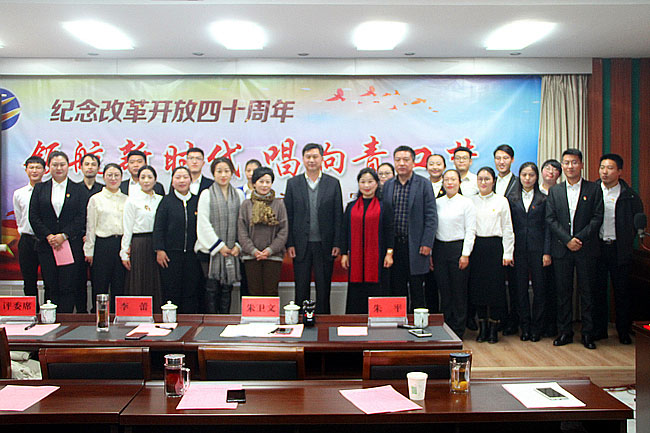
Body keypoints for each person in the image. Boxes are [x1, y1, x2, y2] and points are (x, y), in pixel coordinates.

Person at [546, 149, 603, 349]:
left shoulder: (594, 189)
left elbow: (597, 217)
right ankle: (565, 332)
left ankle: (588, 333)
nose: (570, 166)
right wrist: (567, 239)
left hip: (586, 248)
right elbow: (550, 219)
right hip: (562, 249)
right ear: (562, 166)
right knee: (563, 292)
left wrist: (579, 238)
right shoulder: (555, 191)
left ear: (582, 165)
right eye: (566, 163)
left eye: (574, 162)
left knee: (587, 292)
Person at [285, 143, 343, 314]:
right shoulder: (293, 183)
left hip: (325, 245)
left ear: (322, 159)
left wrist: (337, 243)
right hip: (300, 245)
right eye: (308, 157)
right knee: (301, 288)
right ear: (303, 159)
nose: (311, 160)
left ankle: (324, 322)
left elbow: (338, 215)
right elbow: (288, 216)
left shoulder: (332, 183)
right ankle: (300, 321)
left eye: (315, 156)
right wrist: (290, 243)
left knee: (323, 288)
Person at [594, 153, 644, 345]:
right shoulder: (592, 191)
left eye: (610, 168)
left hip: (619, 249)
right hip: (598, 248)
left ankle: (623, 330)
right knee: (597, 291)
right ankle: (599, 330)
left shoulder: (630, 196)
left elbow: (636, 222)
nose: (605, 172)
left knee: (622, 292)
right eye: (602, 167)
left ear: (620, 171)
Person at [29, 151, 86, 313]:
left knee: (68, 285)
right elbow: (33, 216)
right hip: (47, 245)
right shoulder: (40, 188)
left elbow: (81, 217)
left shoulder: (78, 189)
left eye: (62, 165)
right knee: (50, 285)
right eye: (55, 165)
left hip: (70, 244)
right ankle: (50, 320)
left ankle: (66, 320)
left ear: (68, 166)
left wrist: (64, 235)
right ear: (49, 167)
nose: (59, 168)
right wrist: (48, 235)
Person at [382, 145, 437, 311]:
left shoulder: (424, 184)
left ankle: (418, 323)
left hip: (416, 245)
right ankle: (400, 322)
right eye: (398, 160)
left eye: (406, 160)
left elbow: (431, 216)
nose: (401, 163)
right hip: (394, 246)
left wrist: (427, 243)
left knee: (417, 288)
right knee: (397, 288)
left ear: (413, 162)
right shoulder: (388, 185)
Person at [469, 167, 514, 344]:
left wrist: (508, 253)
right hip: (477, 248)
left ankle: (494, 328)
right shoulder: (470, 201)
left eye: (487, 179)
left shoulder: (502, 201)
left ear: (493, 181)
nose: (483, 182)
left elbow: (508, 228)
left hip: (495, 248)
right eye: (480, 179)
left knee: (495, 290)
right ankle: (483, 328)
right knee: (478, 290)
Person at [341, 168, 394, 314]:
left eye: (370, 182)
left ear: (377, 183)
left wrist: (389, 253)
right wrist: (344, 254)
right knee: (356, 292)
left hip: (378, 259)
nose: (366, 185)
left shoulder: (385, 206)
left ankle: (378, 320)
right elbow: (344, 231)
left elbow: (390, 231)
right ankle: (355, 321)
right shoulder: (351, 207)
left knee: (378, 289)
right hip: (356, 259)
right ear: (358, 184)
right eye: (363, 182)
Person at [509, 162, 552, 342]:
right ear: (519, 176)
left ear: (536, 177)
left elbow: (548, 228)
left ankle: (537, 328)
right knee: (520, 290)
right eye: (524, 175)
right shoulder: (511, 198)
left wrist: (547, 252)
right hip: (518, 250)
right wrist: (509, 251)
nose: (527, 178)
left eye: (531, 175)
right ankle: (524, 327)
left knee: (540, 289)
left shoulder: (544, 199)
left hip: (538, 250)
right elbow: (508, 227)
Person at [196, 157, 245, 313]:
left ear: (232, 173)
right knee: (211, 289)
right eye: (219, 171)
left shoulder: (238, 194)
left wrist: (237, 245)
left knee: (227, 289)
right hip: (210, 251)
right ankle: (212, 322)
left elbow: (242, 223)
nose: (223, 175)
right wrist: (219, 246)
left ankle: (225, 320)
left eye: (226, 171)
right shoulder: (206, 194)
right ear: (213, 173)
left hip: (232, 250)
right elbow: (203, 223)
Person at [433, 169, 476, 338]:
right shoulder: (437, 202)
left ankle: (458, 329)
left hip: (458, 249)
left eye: (453, 179)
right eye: (447, 180)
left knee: (459, 291)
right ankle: (446, 327)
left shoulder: (466, 203)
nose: (450, 183)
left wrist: (465, 254)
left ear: (459, 182)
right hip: (439, 249)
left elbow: (471, 230)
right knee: (444, 291)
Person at [154, 166, 201, 313]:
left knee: (191, 290)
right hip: (170, 255)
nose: (182, 181)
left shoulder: (197, 201)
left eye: (185, 177)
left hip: (193, 255)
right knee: (171, 290)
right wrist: (159, 249)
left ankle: (190, 323)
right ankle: (170, 322)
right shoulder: (166, 201)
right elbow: (159, 227)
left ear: (191, 180)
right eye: (178, 177)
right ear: (172, 181)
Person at [237, 166, 288, 296]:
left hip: (273, 256)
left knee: (271, 292)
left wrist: (270, 250)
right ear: (254, 183)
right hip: (251, 256)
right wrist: (253, 251)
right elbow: (242, 231)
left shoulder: (279, 204)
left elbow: (283, 231)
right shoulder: (246, 204)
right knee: (254, 292)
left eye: (268, 182)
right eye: (261, 181)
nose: (264, 185)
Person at [84, 163, 128, 309]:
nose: (113, 178)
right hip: (102, 246)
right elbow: (91, 227)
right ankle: (100, 317)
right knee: (100, 285)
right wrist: (89, 250)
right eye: (110, 175)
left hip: (120, 245)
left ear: (121, 178)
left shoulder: (127, 199)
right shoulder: (96, 199)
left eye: (116, 175)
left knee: (119, 285)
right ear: (103, 177)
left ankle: (118, 316)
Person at [120, 165, 163, 308]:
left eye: (150, 177)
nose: (146, 180)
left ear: (155, 180)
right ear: (138, 180)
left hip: (156, 244)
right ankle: (137, 314)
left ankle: (155, 313)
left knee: (155, 281)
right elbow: (127, 228)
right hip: (139, 244)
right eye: (143, 177)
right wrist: (124, 252)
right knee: (138, 280)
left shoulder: (161, 200)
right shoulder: (132, 200)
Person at [493, 144, 521, 336]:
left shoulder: (519, 182)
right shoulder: (490, 181)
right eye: (498, 158)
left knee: (515, 284)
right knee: (496, 284)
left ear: (512, 160)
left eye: (505, 158)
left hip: (514, 240)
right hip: (495, 242)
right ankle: (500, 319)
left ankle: (514, 321)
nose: (501, 162)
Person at [13, 156, 46, 301]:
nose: (34, 171)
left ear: (44, 171)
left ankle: (48, 311)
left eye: (38, 167)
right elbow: (19, 217)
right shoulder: (19, 194)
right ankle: (32, 312)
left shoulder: (48, 191)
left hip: (45, 240)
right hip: (27, 240)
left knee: (49, 279)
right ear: (26, 170)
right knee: (29, 281)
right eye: (31, 167)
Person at [539, 158, 562, 337]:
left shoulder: (561, 193)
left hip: (556, 247)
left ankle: (552, 325)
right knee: (540, 287)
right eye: (547, 168)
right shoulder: (535, 192)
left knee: (554, 287)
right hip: (535, 247)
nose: (551, 172)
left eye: (555, 169)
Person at [424, 153, 446, 313]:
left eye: (438, 164)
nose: (435, 167)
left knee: (446, 283)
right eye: (431, 164)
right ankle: (431, 315)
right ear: (426, 167)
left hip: (444, 240)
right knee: (429, 283)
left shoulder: (451, 185)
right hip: (427, 241)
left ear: (444, 167)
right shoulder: (422, 186)